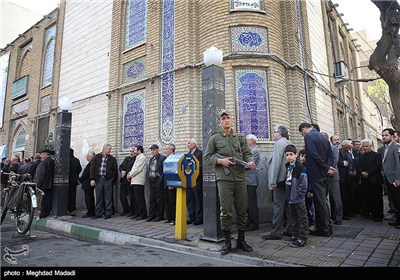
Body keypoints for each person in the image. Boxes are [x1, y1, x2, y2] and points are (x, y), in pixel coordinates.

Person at [204, 109, 256, 255]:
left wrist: (250, 162)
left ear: (231, 120)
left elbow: (247, 153)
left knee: (242, 210)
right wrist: (221, 161)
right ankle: (227, 241)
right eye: (223, 118)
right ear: (219, 122)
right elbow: (207, 157)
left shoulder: (239, 137)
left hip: (239, 178)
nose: (226, 120)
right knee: (226, 211)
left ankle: (241, 240)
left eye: (228, 118)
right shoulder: (214, 138)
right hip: (224, 179)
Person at [298, 123, 336, 237]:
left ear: (304, 129)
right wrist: (328, 167)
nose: (302, 135)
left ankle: (324, 229)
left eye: (301, 133)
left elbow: (313, 154)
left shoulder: (309, 136)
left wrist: (326, 167)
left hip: (316, 174)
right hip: (325, 174)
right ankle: (326, 227)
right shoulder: (322, 136)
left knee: (320, 202)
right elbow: (331, 155)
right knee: (323, 201)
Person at [263, 125, 293, 240]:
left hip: (279, 180)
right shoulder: (289, 142)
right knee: (288, 206)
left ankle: (276, 232)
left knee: (278, 206)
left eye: (275, 131)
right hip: (288, 180)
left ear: (279, 133)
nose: (273, 133)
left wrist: (273, 181)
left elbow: (276, 164)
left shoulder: (279, 143)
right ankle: (290, 229)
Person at [284, 144, 308, 247]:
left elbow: (303, 183)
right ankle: (295, 235)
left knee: (302, 218)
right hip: (290, 197)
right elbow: (288, 180)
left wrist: (299, 194)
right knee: (294, 217)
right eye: (287, 155)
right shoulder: (287, 166)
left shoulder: (299, 167)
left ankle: (302, 238)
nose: (289, 157)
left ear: (296, 154)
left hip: (297, 198)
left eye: (291, 154)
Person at [90, 144, 118, 219]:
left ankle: (108, 212)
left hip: (108, 180)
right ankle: (98, 213)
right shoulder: (96, 157)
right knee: (99, 197)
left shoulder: (112, 159)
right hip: (98, 179)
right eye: (109, 149)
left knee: (108, 197)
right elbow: (92, 168)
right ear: (104, 149)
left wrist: (113, 179)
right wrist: (92, 179)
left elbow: (115, 170)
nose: (110, 150)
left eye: (110, 149)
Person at [381, 128, 400, 229]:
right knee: (395, 202)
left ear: (392, 136)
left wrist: (398, 178)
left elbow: (399, 164)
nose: (384, 137)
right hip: (388, 179)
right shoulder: (386, 147)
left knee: (398, 200)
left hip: (395, 180)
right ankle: (398, 220)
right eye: (383, 135)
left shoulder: (396, 146)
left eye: (386, 135)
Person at [127, 145, 148, 220]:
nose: (134, 151)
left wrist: (130, 175)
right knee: (135, 199)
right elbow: (134, 168)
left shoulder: (142, 157)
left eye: (135, 150)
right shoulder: (138, 157)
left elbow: (137, 169)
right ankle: (138, 213)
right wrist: (129, 174)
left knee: (139, 199)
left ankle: (142, 214)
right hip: (134, 181)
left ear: (139, 150)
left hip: (139, 181)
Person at [186, 138, 203, 225]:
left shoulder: (199, 153)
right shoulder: (187, 154)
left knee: (197, 199)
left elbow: (200, 166)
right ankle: (191, 217)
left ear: (194, 144)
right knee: (190, 199)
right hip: (188, 180)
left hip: (197, 180)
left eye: (189, 143)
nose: (187, 145)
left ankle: (199, 218)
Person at [146, 144, 166, 222]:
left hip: (158, 181)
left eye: (154, 150)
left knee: (159, 199)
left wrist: (161, 179)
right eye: (151, 150)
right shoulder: (151, 159)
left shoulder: (162, 158)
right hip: (152, 181)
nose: (152, 151)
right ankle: (151, 215)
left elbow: (164, 170)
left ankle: (159, 216)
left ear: (157, 150)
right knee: (152, 199)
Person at [245, 134, 260, 231]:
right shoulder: (247, 151)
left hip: (250, 181)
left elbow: (248, 165)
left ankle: (254, 224)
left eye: (247, 140)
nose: (245, 141)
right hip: (245, 180)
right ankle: (248, 222)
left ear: (251, 141)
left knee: (251, 203)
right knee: (246, 203)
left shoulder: (254, 151)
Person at [35, 149, 54, 218]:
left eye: (42, 154)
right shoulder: (52, 161)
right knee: (48, 199)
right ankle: (47, 212)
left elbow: (40, 175)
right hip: (50, 184)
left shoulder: (44, 162)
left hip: (44, 184)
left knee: (43, 200)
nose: (41, 156)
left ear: (45, 154)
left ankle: (43, 213)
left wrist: (38, 184)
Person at [119, 148, 137, 216]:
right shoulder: (126, 158)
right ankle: (125, 209)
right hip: (123, 180)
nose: (131, 152)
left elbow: (133, 169)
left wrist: (126, 172)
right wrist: (121, 171)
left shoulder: (136, 159)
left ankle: (133, 211)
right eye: (130, 151)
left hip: (130, 180)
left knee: (132, 197)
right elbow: (121, 166)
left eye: (133, 151)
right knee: (122, 196)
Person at [79, 150, 96, 218]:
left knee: (89, 198)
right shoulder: (91, 163)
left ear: (90, 157)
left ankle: (90, 212)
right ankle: (90, 211)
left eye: (87, 156)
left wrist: (80, 180)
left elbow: (86, 174)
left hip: (88, 184)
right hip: (87, 183)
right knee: (89, 198)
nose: (86, 157)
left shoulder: (91, 164)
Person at [163, 144, 177, 225]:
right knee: (166, 201)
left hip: (172, 184)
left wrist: (172, 183)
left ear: (172, 150)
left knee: (172, 202)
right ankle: (168, 218)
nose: (166, 151)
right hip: (165, 182)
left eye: (167, 149)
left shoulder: (175, 158)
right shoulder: (166, 158)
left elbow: (174, 171)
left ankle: (174, 219)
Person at [68, 148, 82, 217]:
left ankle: (68, 209)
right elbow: (80, 169)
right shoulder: (76, 160)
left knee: (67, 195)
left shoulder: (66, 160)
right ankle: (73, 210)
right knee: (73, 195)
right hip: (74, 180)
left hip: (67, 180)